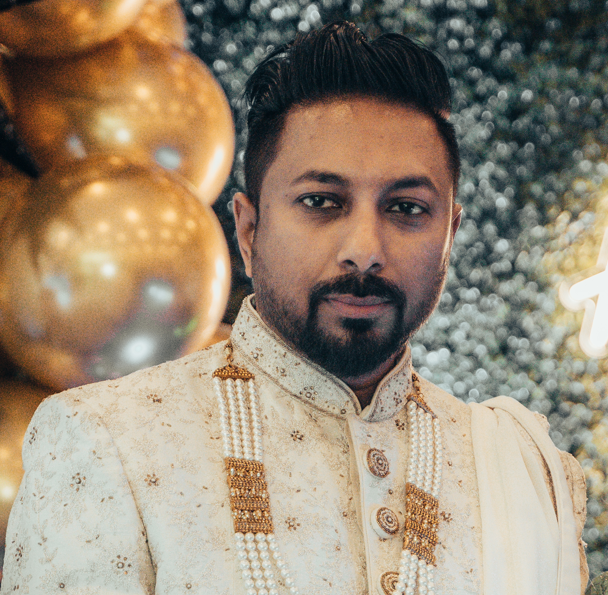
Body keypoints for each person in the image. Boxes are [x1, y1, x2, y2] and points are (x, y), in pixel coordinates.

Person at [1, 21, 587, 595]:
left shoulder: (527, 471)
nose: (365, 249)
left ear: (449, 237)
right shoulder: (109, 440)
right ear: (249, 231)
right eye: (321, 202)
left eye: (406, 208)